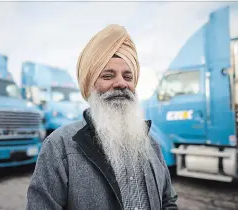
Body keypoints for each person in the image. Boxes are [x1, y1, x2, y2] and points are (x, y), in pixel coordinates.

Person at [26, 24, 178, 210]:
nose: (121, 83)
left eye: (128, 77)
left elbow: (167, 201)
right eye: (108, 75)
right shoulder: (59, 147)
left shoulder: (151, 145)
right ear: (90, 84)